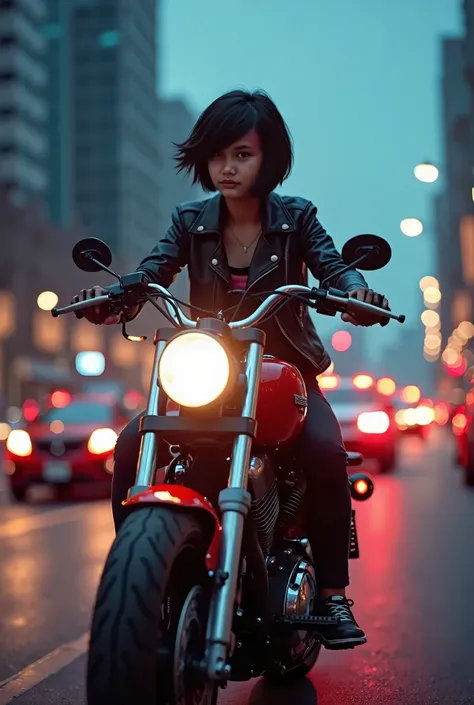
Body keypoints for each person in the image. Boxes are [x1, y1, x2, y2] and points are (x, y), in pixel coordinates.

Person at [72, 88, 390, 650]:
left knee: (325, 450)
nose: (227, 167)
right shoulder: (189, 220)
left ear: (270, 159)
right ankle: (142, 571)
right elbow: (151, 272)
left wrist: (357, 292)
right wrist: (112, 295)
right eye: (219, 154)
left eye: (242, 154)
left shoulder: (298, 218)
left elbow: (335, 266)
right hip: (206, 375)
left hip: (281, 377)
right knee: (129, 445)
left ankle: (334, 593)